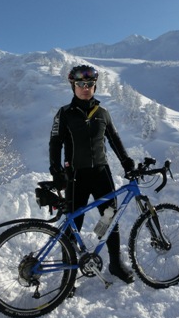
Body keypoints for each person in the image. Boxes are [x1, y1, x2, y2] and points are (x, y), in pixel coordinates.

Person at [49, 64, 136, 284]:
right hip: (75, 177)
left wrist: (127, 162)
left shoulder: (103, 113)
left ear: (94, 86)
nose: (85, 88)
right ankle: (68, 277)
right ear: (73, 86)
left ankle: (115, 264)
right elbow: (55, 143)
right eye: (80, 84)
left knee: (110, 219)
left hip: (101, 174)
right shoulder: (64, 114)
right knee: (73, 225)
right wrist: (56, 170)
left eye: (89, 84)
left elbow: (115, 140)